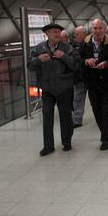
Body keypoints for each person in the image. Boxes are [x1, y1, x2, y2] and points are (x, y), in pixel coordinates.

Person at [28, 23, 80, 156]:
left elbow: (75, 65)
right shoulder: (39, 48)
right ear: (47, 34)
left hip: (64, 88)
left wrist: (64, 57)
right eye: (54, 32)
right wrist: (38, 60)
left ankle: (66, 142)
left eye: (58, 31)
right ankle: (48, 146)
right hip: (47, 89)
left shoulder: (67, 48)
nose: (57, 34)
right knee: (47, 117)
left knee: (65, 117)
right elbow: (30, 65)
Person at [81, 19, 108, 151]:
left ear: (105, 29)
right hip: (92, 82)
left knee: (106, 110)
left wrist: (107, 63)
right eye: (95, 28)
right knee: (96, 109)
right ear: (91, 29)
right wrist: (86, 61)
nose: (97, 31)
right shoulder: (84, 44)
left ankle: (105, 138)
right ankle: (104, 131)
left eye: (100, 28)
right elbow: (78, 60)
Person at [72, 26, 87, 128]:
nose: (75, 36)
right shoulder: (71, 46)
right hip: (79, 77)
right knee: (77, 98)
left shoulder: (88, 44)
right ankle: (77, 120)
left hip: (90, 75)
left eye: (78, 34)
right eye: (75, 34)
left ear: (84, 34)